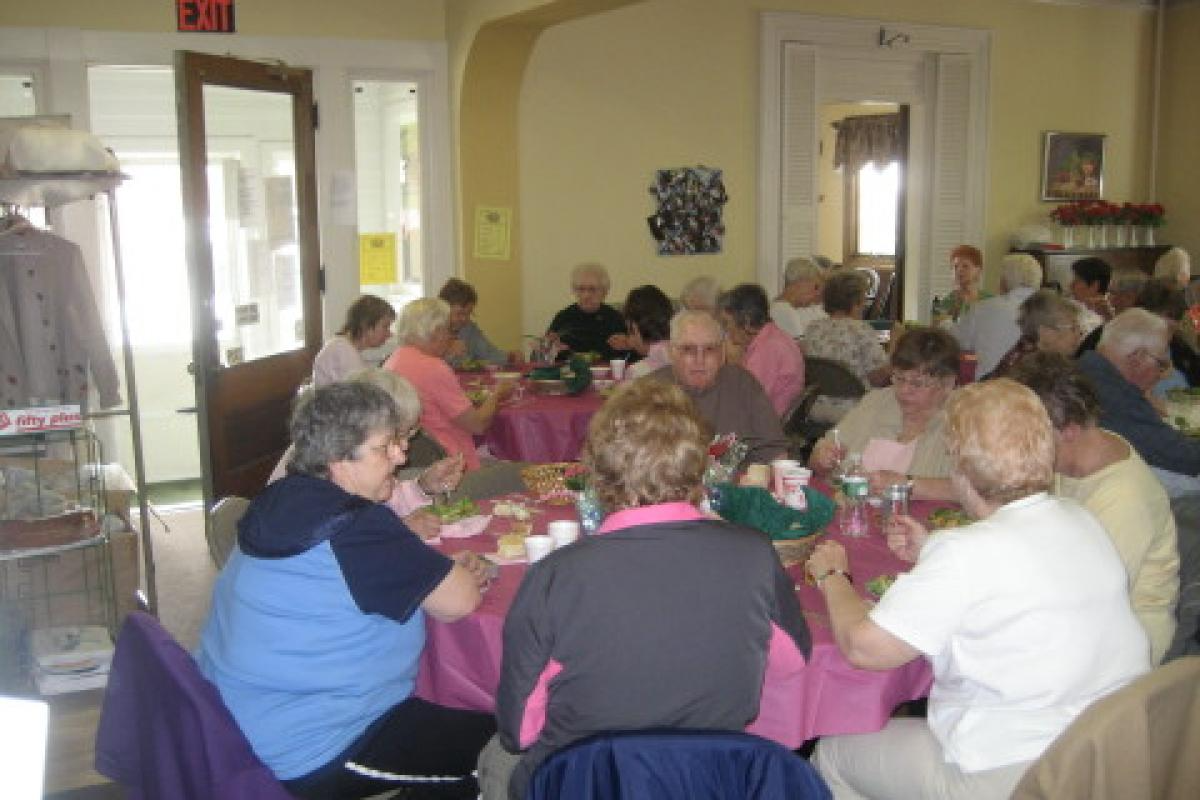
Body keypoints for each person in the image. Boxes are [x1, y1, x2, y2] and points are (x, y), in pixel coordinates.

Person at [807, 378, 1149, 800]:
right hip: (1109, 754)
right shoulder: (1079, 518)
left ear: (961, 469)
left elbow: (865, 649)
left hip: (1020, 773)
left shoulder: (966, 553)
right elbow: (1020, 565)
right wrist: (930, 547)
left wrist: (832, 576)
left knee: (834, 754)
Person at [476, 379, 811, 800]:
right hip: (707, 783)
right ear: (700, 466)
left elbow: (520, 732)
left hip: (585, 784)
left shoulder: (554, 576)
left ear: (597, 471)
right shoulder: (755, 555)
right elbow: (790, 664)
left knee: (496, 760)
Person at [196, 382, 495, 799]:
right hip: (318, 745)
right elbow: (460, 601)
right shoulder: (354, 526)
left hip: (240, 720)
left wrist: (429, 571)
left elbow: (353, 578)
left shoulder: (282, 499)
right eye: (385, 447)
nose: (401, 455)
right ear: (339, 460)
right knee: (506, 748)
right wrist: (445, 573)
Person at [1010, 352, 1179, 664]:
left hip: (1122, 642)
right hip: (1073, 610)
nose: (1019, 447)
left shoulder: (1123, 500)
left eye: (1030, 437)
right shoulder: (1080, 453)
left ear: (1069, 431)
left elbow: (1085, 598)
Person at [268, 368, 465, 540]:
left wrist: (423, 487)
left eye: (410, 433)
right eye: (396, 436)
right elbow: (342, 540)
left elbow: (384, 502)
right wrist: (401, 529)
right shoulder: (322, 465)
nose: (403, 449)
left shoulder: (355, 456)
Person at [809, 327, 959, 503]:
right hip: (855, 515)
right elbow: (818, 464)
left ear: (948, 384)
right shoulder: (876, 402)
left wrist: (909, 485)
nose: (904, 391)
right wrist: (821, 461)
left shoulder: (965, 417)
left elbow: (984, 491)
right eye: (899, 378)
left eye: (917, 384)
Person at [1076, 308, 1200, 495]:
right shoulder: (1114, 395)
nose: (1163, 376)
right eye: (1161, 365)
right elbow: (1186, 459)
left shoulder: (1086, 369)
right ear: (1138, 358)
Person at [642, 310, 788, 465]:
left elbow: (776, 453)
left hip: (740, 486)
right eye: (688, 349)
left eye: (709, 349)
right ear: (672, 352)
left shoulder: (743, 384)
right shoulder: (648, 393)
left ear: (722, 353)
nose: (700, 359)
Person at [384, 298, 515, 470]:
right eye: (449, 330)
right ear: (435, 331)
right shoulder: (432, 367)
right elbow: (478, 425)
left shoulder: (393, 360)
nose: (450, 337)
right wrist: (497, 394)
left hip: (415, 464)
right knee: (519, 471)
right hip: (450, 465)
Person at [802, 269, 891, 423]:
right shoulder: (861, 330)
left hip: (815, 406)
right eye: (864, 299)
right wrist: (895, 349)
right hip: (855, 408)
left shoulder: (812, 328)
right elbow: (878, 379)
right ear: (856, 302)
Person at [717, 283, 806, 415]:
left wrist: (731, 366)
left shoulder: (768, 349)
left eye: (726, 323)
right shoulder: (771, 335)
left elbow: (745, 402)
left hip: (764, 423)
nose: (725, 330)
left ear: (746, 322)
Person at [952, 252, 1042, 378]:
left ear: (1005, 280)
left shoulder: (985, 308)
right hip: (1034, 388)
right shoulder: (1051, 309)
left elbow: (956, 340)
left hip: (989, 385)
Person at [986, 289, 1082, 378]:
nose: (1079, 333)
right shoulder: (1037, 371)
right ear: (1045, 333)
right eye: (1073, 328)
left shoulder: (1021, 353)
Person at [545, 263, 627, 360]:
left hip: (606, 373)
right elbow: (544, 356)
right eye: (581, 289)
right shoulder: (563, 317)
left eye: (592, 289)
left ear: (605, 292)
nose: (586, 295)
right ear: (574, 290)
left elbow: (629, 357)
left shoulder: (615, 318)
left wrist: (626, 344)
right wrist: (549, 348)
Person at [312, 294, 395, 386]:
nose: (390, 334)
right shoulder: (342, 350)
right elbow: (361, 394)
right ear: (365, 325)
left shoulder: (343, 346)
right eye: (385, 327)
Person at [438, 278, 512, 368]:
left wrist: (510, 357)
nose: (464, 319)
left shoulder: (469, 329)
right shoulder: (428, 332)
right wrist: (447, 350)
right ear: (443, 310)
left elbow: (492, 355)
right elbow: (425, 368)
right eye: (460, 313)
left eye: (469, 313)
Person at [621, 284, 675, 380]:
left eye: (629, 332)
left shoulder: (637, 372)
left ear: (635, 327)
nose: (630, 339)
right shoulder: (685, 359)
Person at [770, 256, 828, 337]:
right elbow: (800, 348)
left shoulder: (780, 307)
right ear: (801, 282)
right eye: (816, 287)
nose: (818, 293)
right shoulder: (784, 311)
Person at [934, 245, 991, 324]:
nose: (959, 270)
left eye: (965, 266)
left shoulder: (990, 300)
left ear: (978, 270)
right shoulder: (946, 302)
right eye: (955, 266)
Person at [1068, 256, 1114, 332]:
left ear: (1094, 286)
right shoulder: (1070, 304)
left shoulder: (1110, 312)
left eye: (1077, 281)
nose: (1071, 285)